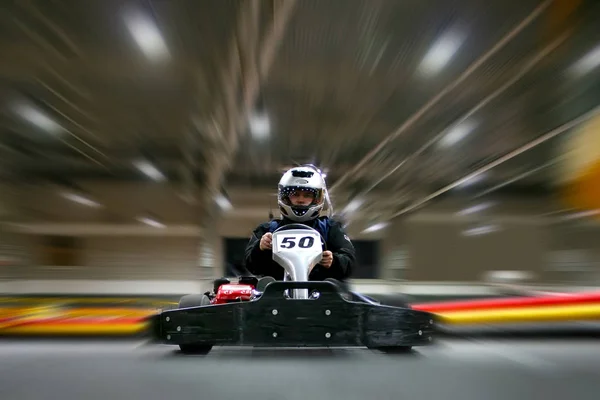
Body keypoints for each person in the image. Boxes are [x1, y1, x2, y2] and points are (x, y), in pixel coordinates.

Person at [244, 165, 356, 282]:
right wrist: (260, 248)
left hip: (321, 294)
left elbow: (349, 261)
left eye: (307, 195)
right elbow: (252, 266)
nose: (301, 200)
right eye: (295, 194)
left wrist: (334, 261)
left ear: (317, 198)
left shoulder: (330, 228)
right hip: (276, 293)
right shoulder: (267, 230)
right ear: (285, 197)